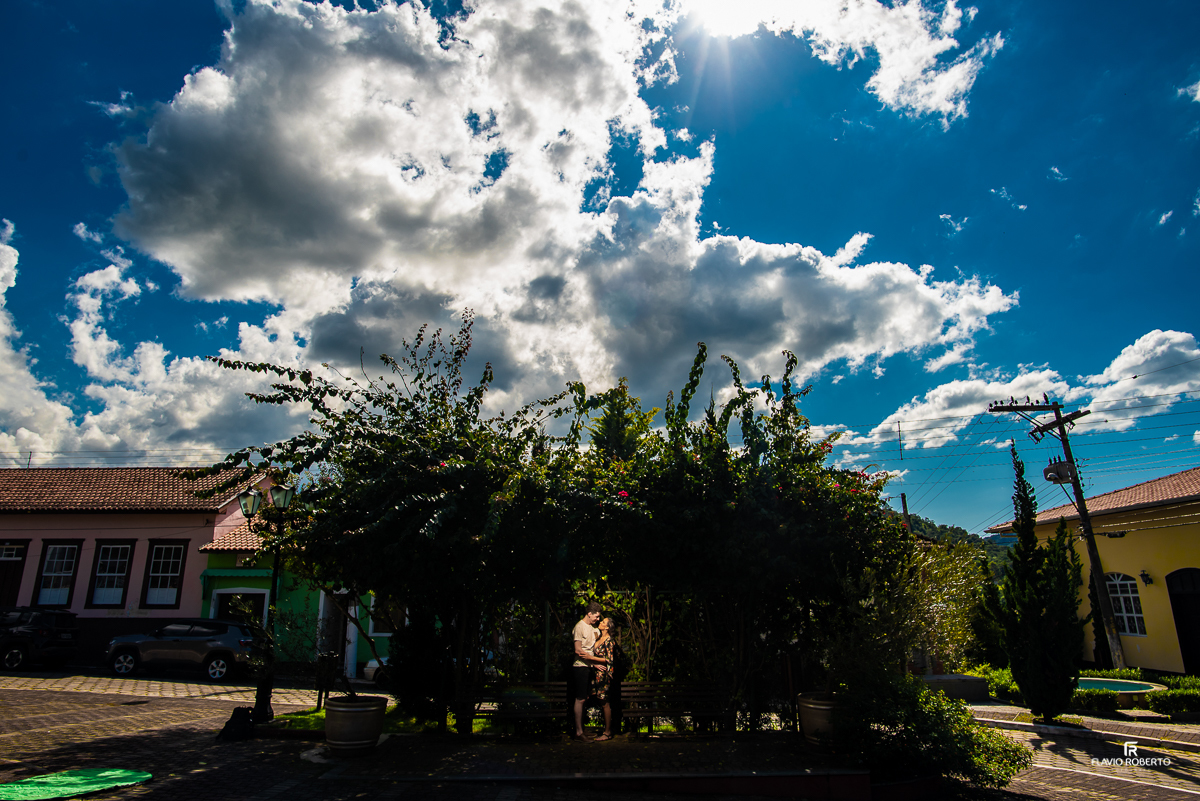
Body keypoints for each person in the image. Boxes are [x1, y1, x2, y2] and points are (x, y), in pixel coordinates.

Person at [571, 602, 607, 741]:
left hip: (588, 666)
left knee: (585, 698)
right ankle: (579, 732)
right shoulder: (579, 627)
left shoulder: (592, 629)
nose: (598, 619)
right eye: (596, 616)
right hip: (580, 667)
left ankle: (582, 730)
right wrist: (594, 662)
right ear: (589, 613)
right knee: (580, 699)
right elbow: (578, 650)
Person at [589, 617, 622, 741]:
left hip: (603, 676)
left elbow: (609, 660)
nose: (600, 623)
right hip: (595, 674)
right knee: (598, 701)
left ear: (607, 627)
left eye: (603, 622)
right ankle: (605, 730)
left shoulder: (609, 641)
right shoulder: (599, 638)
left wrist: (591, 658)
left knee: (604, 702)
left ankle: (607, 732)